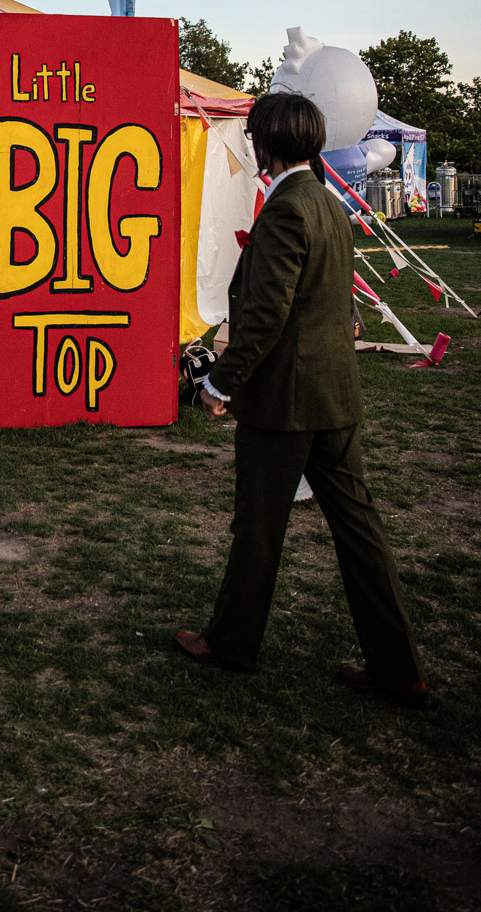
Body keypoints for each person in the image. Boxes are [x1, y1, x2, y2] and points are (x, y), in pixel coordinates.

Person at [175, 92, 428, 705]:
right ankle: (398, 668)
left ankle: (231, 643)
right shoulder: (326, 201)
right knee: (359, 531)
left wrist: (219, 381)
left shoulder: (287, 207)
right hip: (335, 396)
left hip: (285, 402)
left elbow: (265, 315)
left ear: (264, 142)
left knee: (259, 526)